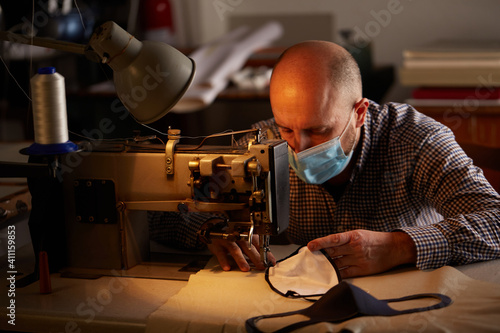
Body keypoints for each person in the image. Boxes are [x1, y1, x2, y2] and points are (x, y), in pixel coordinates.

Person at [149, 40, 500, 278]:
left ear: (360, 113)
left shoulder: (416, 139)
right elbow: (163, 219)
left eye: (317, 130)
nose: (297, 148)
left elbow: (495, 221)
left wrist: (400, 247)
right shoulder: (261, 142)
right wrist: (213, 230)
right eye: (287, 127)